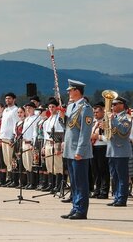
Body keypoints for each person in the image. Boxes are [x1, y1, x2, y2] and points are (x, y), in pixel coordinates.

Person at [59, 79, 93, 220]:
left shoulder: (86, 108)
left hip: (79, 151)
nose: (68, 92)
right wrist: (62, 118)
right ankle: (75, 207)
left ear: (77, 91)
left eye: (70, 90)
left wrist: (80, 150)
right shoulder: (72, 106)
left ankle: (81, 210)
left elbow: (85, 132)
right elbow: (68, 127)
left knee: (81, 182)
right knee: (73, 182)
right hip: (70, 149)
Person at [106, 96, 132, 207]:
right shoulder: (114, 117)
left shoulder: (126, 118)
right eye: (112, 104)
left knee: (122, 176)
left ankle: (122, 198)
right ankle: (117, 196)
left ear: (122, 105)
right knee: (114, 176)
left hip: (121, 150)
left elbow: (124, 131)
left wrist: (113, 120)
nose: (112, 106)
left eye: (115, 104)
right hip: (112, 149)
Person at [90, 102, 109, 199]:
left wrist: (98, 136)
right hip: (93, 147)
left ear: (102, 112)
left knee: (103, 170)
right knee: (95, 170)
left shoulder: (106, 122)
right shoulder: (93, 122)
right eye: (94, 112)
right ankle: (97, 190)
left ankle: (104, 191)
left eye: (97, 112)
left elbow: (108, 138)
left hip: (102, 147)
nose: (95, 114)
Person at [0, 92, 19, 186]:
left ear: (14, 99)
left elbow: (16, 124)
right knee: (6, 159)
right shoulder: (5, 110)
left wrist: (13, 137)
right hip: (3, 137)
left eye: (9, 98)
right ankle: (9, 178)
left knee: (12, 159)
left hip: (10, 137)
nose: (7, 100)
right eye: (6, 98)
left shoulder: (15, 110)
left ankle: (14, 180)